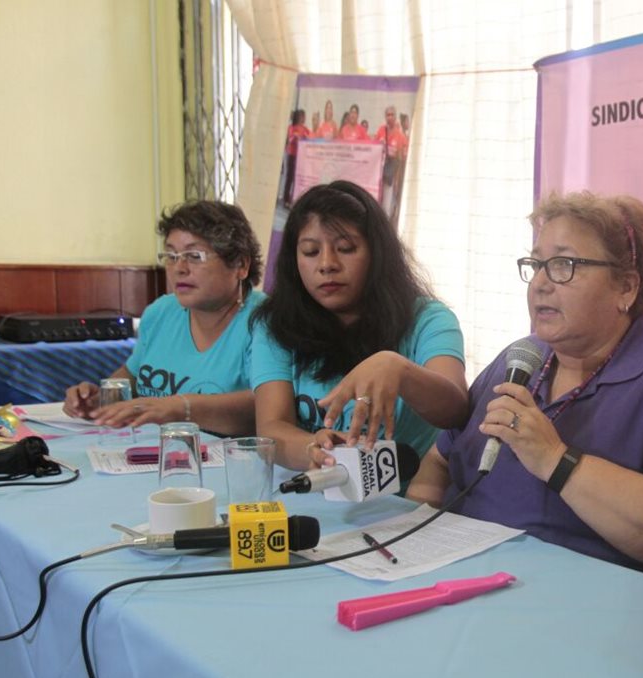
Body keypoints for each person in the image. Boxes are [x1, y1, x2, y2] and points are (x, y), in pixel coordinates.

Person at [407, 192, 643, 575]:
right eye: (536, 265)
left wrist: (555, 459)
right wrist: (416, 546)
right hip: (458, 584)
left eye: (564, 265)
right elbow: (438, 464)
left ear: (626, 289)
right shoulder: (517, 359)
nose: (540, 285)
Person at [250, 180, 467, 472]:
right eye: (311, 252)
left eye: (346, 248)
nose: (327, 264)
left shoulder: (429, 319)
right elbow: (272, 427)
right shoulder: (276, 325)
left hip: (405, 502)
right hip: (310, 492)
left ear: (377, 254)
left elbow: (456, 410)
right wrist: (314, 449)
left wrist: (398, 369)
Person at [63, 201, 264, 436]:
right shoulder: (161, 312)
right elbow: (132, 377)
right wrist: (100, 400)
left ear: (241, 264)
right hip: (153, 454)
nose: (179, 268)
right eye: (171, 255)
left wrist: (180, 408)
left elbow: (268, 408)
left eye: (194, 255)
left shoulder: (266, 320)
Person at [282, 109, 312, 206]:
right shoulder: (291, 128)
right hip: (291, 155)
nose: (303, 118)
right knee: (289, 177)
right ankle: (286, 199)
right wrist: (295, 137)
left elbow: (310, 138)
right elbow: (290, 139)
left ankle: (293, 198)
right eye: (302, 116)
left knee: (297, 178)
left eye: (304, 116)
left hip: (300, 157)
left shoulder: (305, 129)